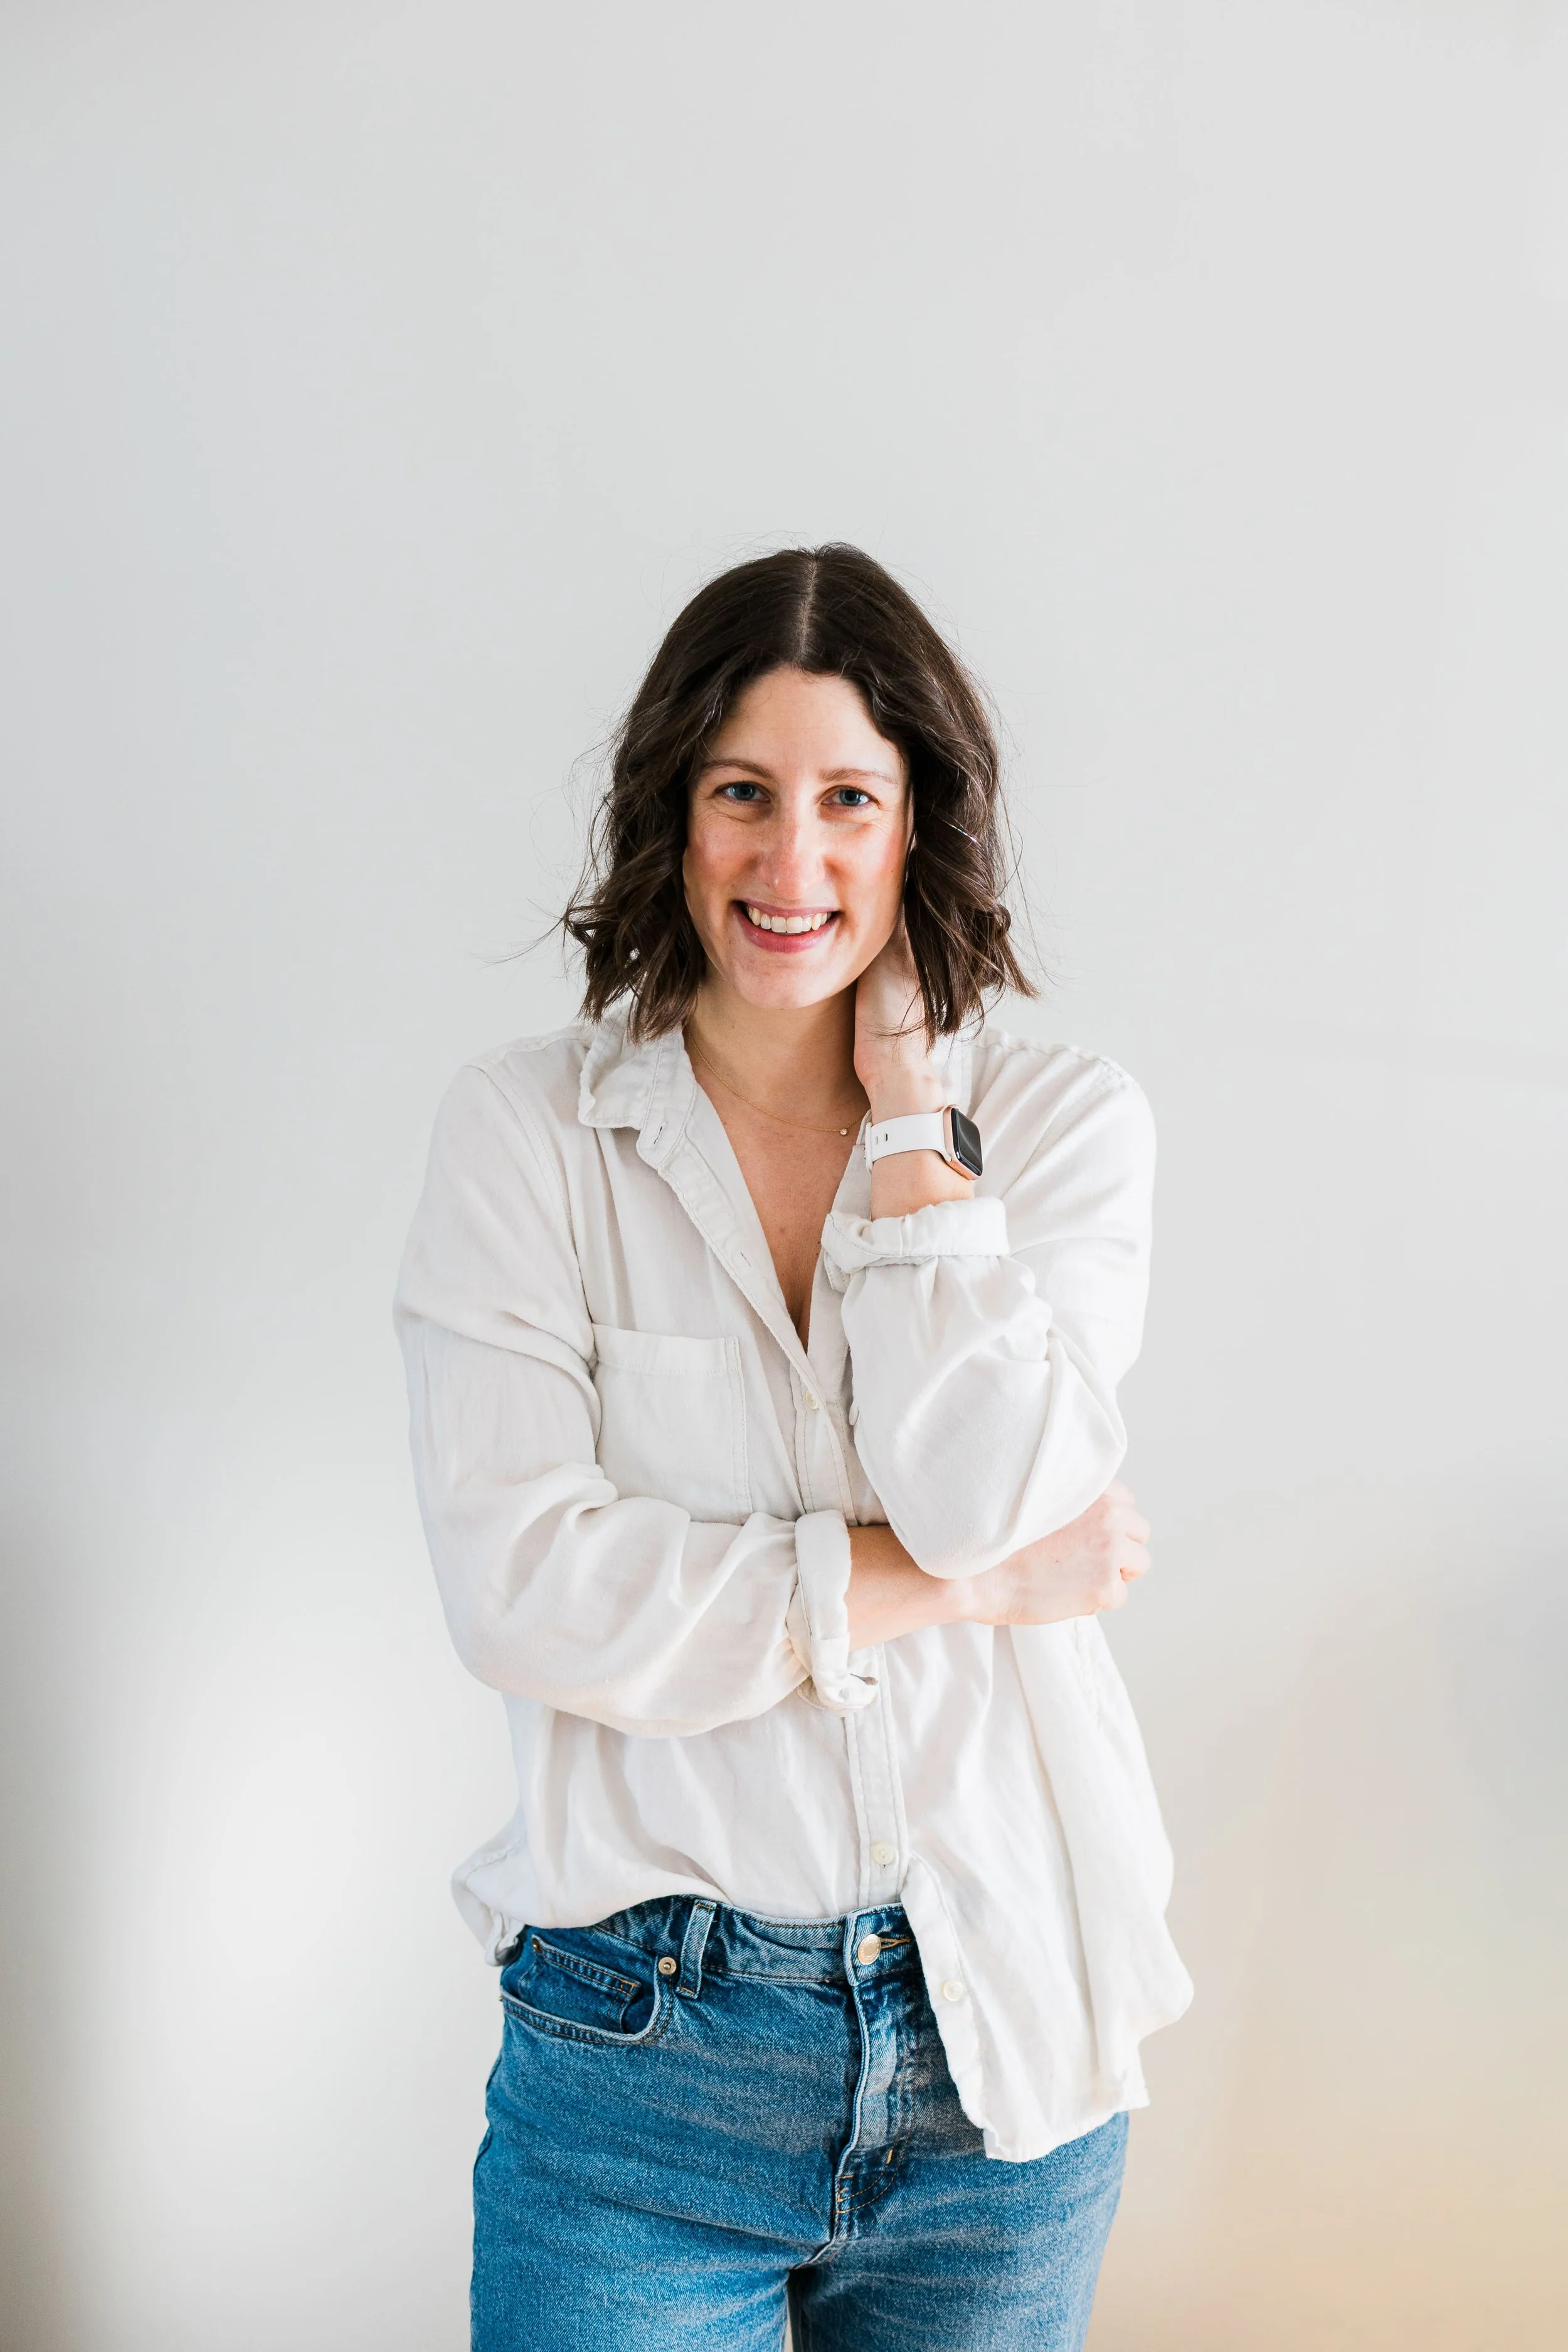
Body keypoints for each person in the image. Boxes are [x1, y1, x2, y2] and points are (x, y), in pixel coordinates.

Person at [394, 544, 1191, 2351]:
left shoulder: (1059, 1126)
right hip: (641, 2066)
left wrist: (914, 1117)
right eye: (742, 793)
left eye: (850, 799)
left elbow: (995, 1472)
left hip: (1005, 2048)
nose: (791, 860)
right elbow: (527, 1592)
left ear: (923, 825)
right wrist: (951, 1582)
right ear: (671, 809)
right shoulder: (526, 1135)